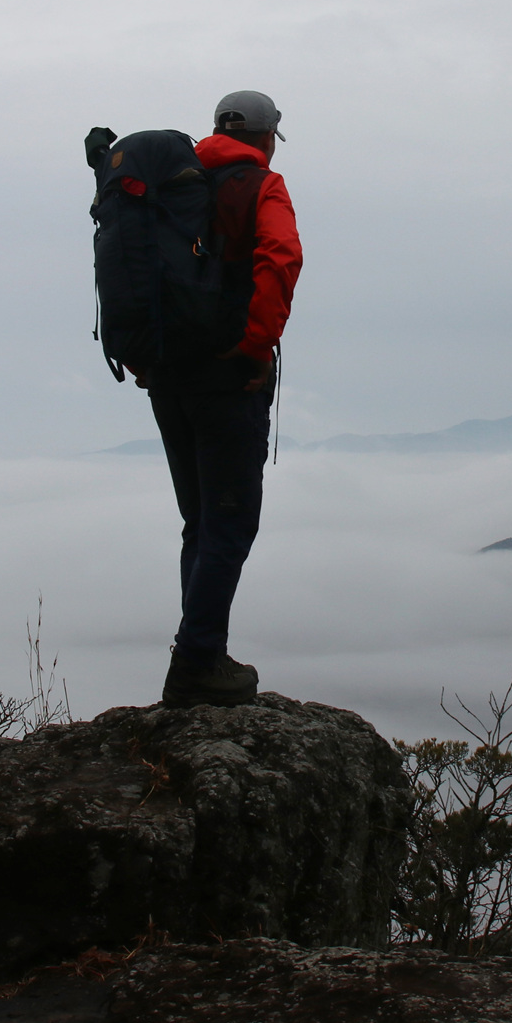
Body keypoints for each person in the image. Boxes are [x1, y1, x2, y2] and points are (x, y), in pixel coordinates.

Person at [144, 90, 302, 708]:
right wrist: (256, 347)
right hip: (227, 378)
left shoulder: (169, 184)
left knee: (200, 521)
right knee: (231, 521)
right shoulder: (261, 185)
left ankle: (205, 652)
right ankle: (194, 664)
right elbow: (281, 257)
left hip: (166, 376)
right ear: (264, 138)